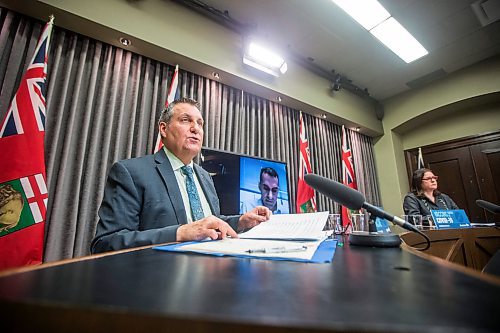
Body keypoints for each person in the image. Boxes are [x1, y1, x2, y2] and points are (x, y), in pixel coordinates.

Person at [91, 97, 271, 253]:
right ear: (163, 129)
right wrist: (180, 233)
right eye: (186, 120)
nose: (196, 129)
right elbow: (107, 243)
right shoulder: (130, 172)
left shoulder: (205, 177)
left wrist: (240, 221)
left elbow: (209, 224)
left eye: (200, 123)